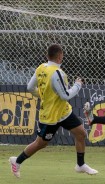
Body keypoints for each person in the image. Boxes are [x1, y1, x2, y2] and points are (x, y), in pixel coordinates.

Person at [9, 44, 98, 178]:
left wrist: (43, 95)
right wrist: (78, 85)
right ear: (60, 56)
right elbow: (65, 95)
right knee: (41, 143)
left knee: (81, 134)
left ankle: (80, 165)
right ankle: (17, 161)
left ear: (47, 56)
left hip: (63, 112)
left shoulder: (41, 68)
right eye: (62, 55)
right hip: (50, 115)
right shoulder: (57, 73)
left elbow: (30, 87)